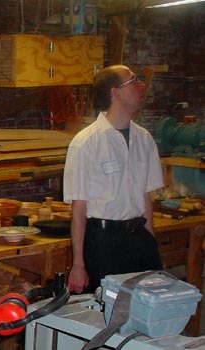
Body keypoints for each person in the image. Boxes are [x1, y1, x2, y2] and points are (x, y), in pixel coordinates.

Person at [63, 65, 163, 294]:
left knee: (147, 305)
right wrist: (78, 265)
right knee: (107, 313)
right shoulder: (87, 142)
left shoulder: (144, 139)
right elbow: (79, 208)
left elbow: (146, 197)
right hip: (104, 240)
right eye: (133, 81)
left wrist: (151, 244)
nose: (142, 86)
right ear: (114, 92)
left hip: (139, 236)